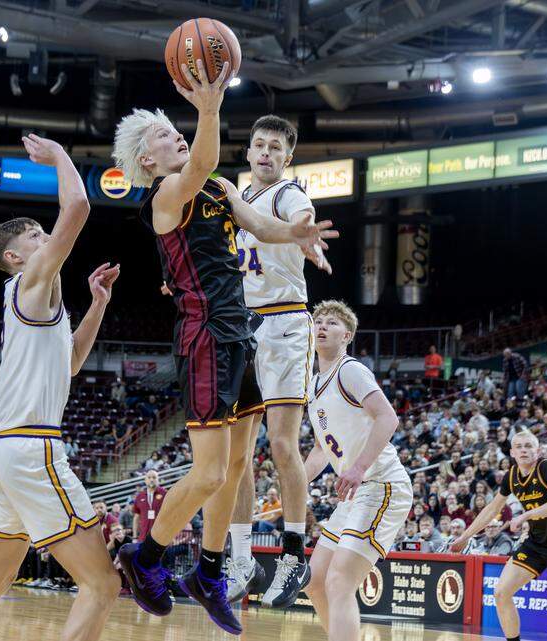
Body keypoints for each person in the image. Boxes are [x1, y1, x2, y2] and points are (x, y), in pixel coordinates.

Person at [111, 58, 333, 635]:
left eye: (175, 128)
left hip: (245, 335)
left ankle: (208, 572)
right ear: (147, 161)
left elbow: (262, 226)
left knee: (236, 465)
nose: (176, 136)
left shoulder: (217, 185)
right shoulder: (166, 195)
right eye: (165, 134)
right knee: (209, 472)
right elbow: (204, 157)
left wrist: (300, 233)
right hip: (206, 334)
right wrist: (209, 106)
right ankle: (147, 556)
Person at [0, 134, 122, 641]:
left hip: (5, 451)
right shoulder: (30, 282)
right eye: (36, 236)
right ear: (13, 256)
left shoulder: (34, 298)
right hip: (32, 450)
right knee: (102, 585)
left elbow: (69, 363)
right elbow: (80, 204)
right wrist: (61, 158)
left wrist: (97, 304)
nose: (47, 239)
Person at [228, 114, 330, 607]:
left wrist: (302, 232)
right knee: (236, 457)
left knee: (284, 446)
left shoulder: (290, 196)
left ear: (287, 159)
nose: (266, 153)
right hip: (242, 328)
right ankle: (242, 559)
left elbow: (294, 223)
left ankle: (293, 554)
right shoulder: (237, 204)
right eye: (260, 145)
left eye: (276, 148)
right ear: (249, 152)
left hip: (287, 326)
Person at [299, 300, 413, 641]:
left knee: (339, 581)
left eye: (331, 323)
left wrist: (359, 467)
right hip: (353, 495)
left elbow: (388, 417)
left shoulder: (350, 370)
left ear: (346, 335)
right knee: (315, 582)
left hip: (382, 484)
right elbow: (321, 449)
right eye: (318, 320)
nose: (321, 326)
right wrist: (295, 483)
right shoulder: (313, 384)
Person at [450, 429, 547, 641]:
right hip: (535, 544)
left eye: (528, 446)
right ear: (512, 453)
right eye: (519, 447)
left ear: (537, 450)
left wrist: (527, 515)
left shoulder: (546, 467)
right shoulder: (512, 476)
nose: (524, 450)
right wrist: (466, 536)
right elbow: (492, 509)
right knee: (501, 593)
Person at [132, 471, 167, 541]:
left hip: (160, 536)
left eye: (154, 477)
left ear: (158, 480)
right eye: (149, 477)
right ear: (145, 480)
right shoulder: (139, 496)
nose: (151, 480)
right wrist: (135, 537)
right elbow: (136, 518)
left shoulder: (165, 494)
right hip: (143, 536)